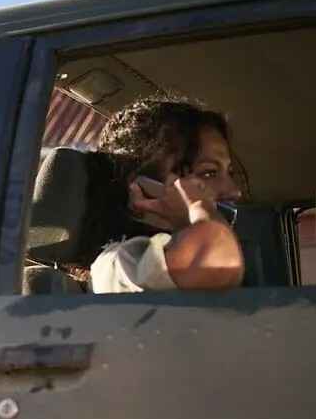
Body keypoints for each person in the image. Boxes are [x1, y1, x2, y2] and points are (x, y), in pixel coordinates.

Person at [71, 95, 247, 293]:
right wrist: (196, 207)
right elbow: (219, 258)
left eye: (229, 172)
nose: (234, 191)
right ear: (142, 190)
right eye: (209, 173)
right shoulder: (119, 264)